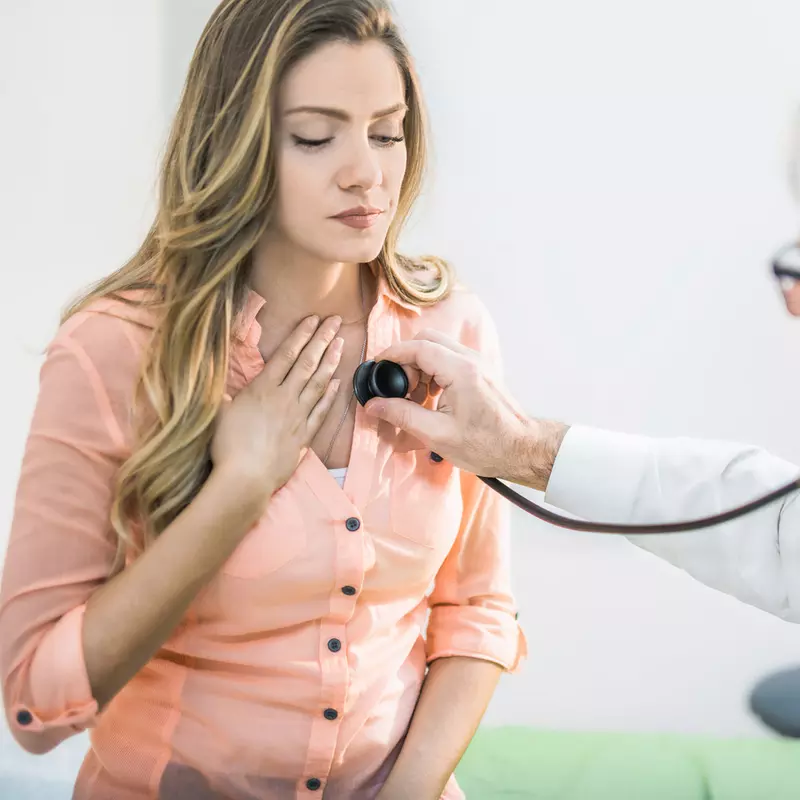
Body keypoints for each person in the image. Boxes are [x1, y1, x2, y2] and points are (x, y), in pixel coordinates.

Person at [0, 2, 525, 798]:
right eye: (316, 136)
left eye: (386, 131)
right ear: (234, 142)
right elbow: (36, 705)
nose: (366, 172)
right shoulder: (113, 350)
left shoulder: (452, 331)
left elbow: (477, 610)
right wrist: (238, 487)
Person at [364, 243, 800, 624]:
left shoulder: (458, 315)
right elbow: (778, 533)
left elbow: (479, 610)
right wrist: (527, 449)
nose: (793, 301)